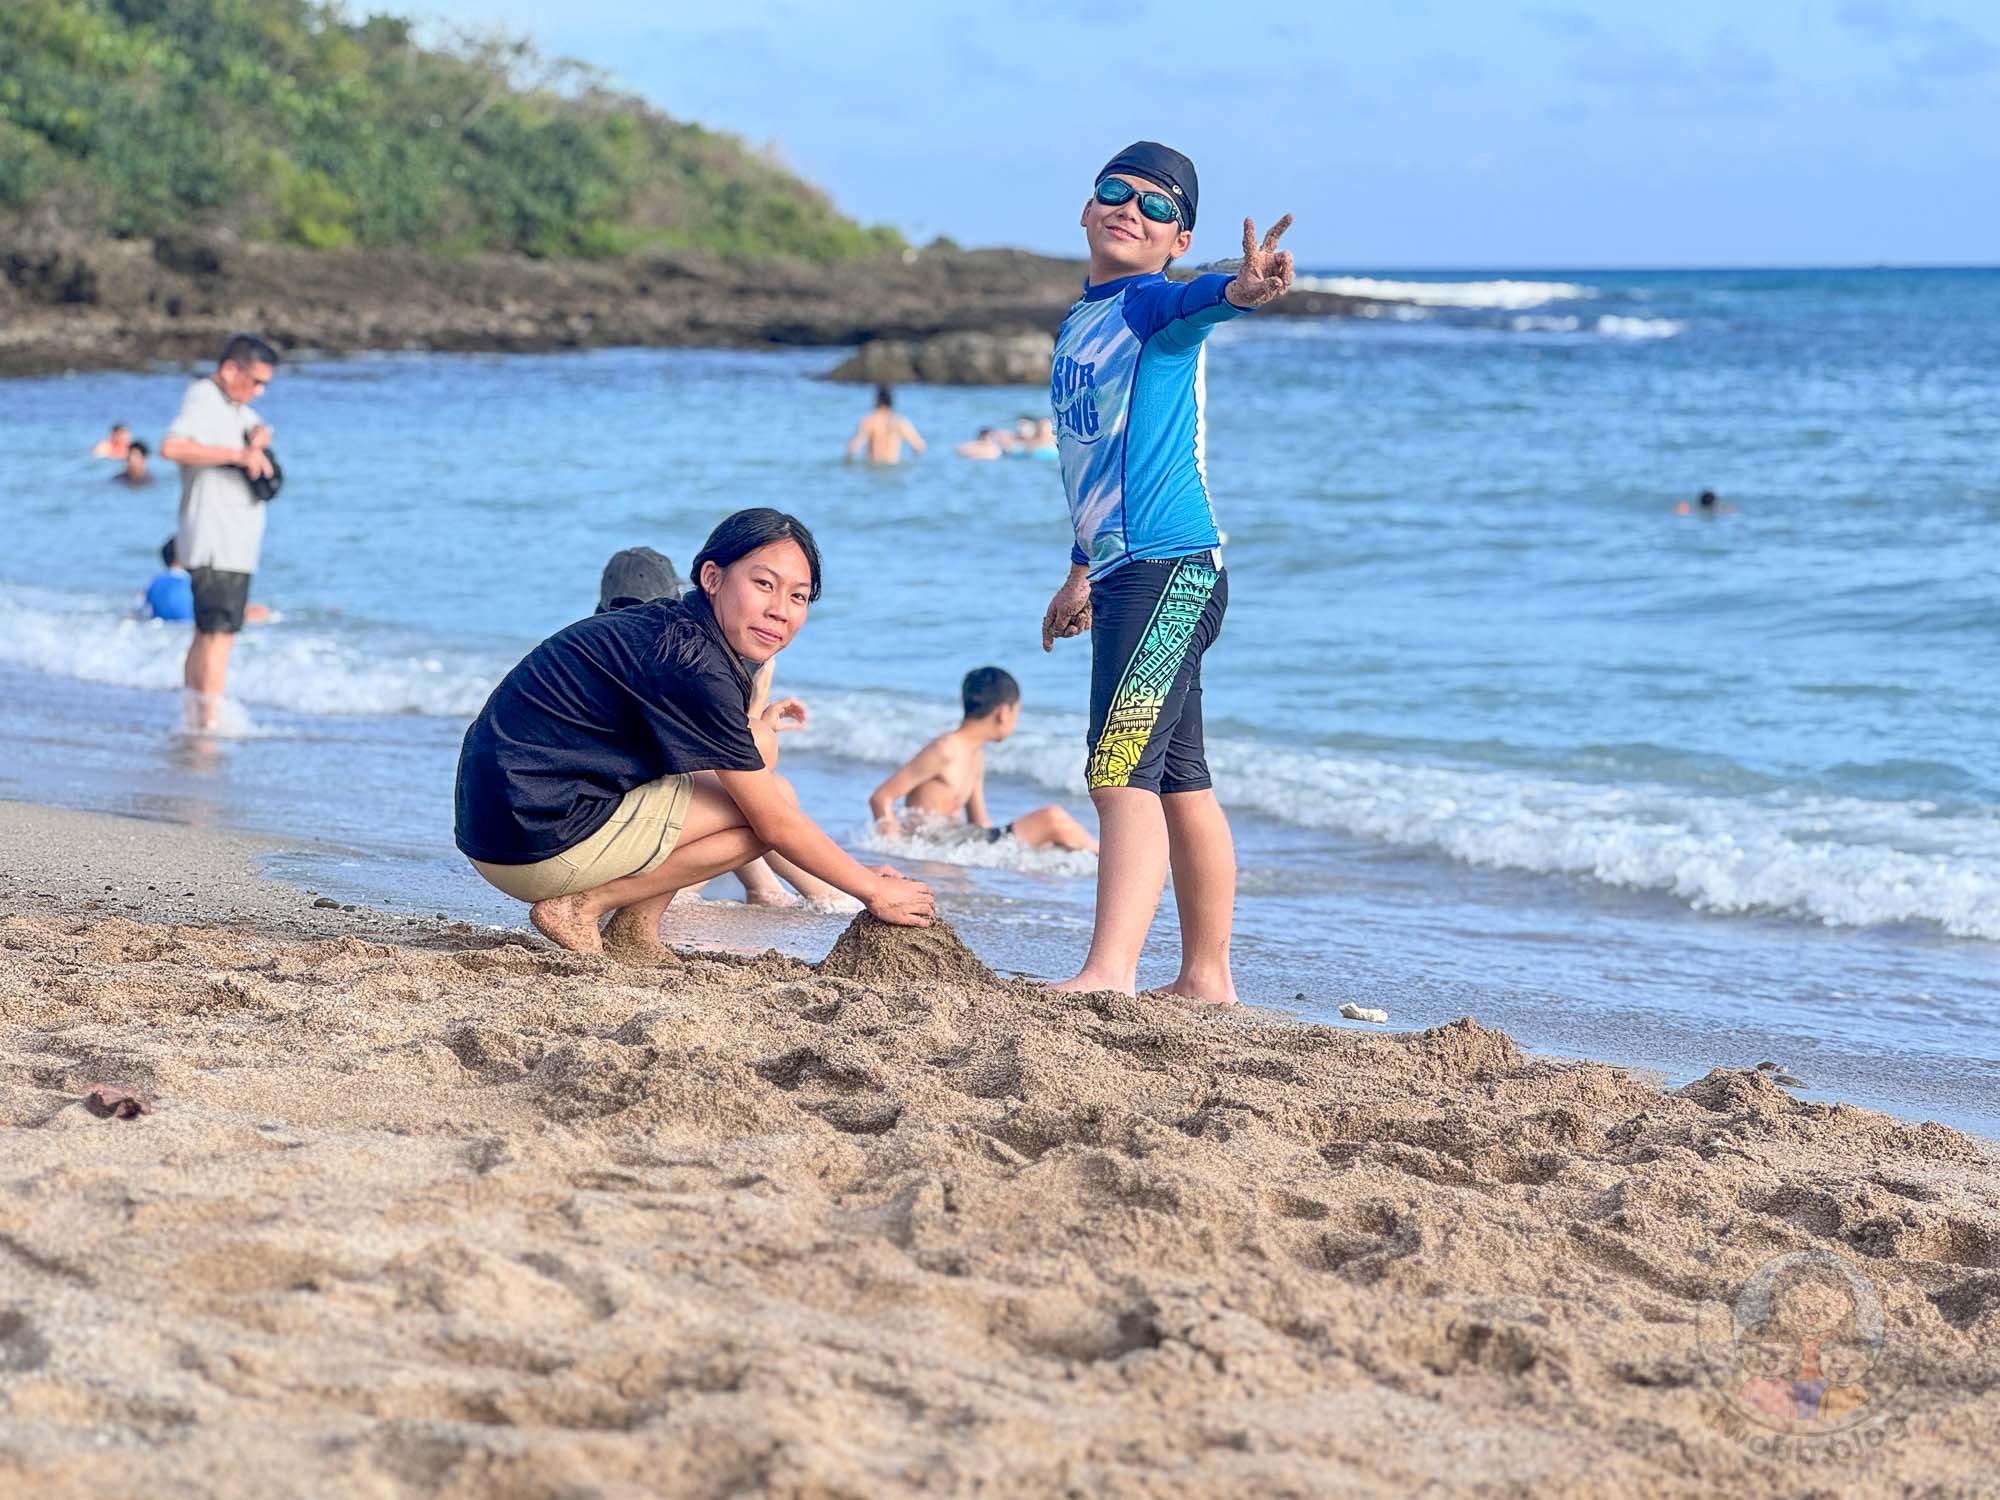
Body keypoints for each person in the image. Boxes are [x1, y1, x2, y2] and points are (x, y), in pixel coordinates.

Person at [1039, 141, 1295, 1006]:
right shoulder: (1082, 320)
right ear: (1085, 208)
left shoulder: (1152, 305)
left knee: (1117, 772)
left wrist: (1242, 290)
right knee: (1179, 778)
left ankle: (1109, 974)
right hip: (1130, 572)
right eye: (1116, 192)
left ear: (1177, 240)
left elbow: (1200, 304)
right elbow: (1093, 463)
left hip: (1166, 569)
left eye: (1156, 207)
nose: (1130, 210)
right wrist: (1079, 570)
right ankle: (1206, 978)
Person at [456, 509, 935, 960]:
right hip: (530, 841)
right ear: (712, 577)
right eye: (764, 584)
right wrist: (872, 890)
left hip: (504, 824)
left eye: (798, 596)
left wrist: (854, 875)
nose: (779, 610)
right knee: (767, 805)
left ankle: (635, 930)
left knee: (759, 776)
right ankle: (582, 906)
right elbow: (773, 823)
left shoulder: (676, 630)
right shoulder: (695, 663)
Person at [594, 545, 848, 911]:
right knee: (767, 795)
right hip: (623, 844)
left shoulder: (597, 643)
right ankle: (820, 894)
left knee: (747, 789)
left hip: (596, 830)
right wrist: (758, 708)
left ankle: (772, 889)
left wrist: (756, 718)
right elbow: (733, 768)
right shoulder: (672, 655)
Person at [158, 334, 280, 730]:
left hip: (229, 541)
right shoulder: (204, 397)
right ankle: (208, 720)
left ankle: (194, 717)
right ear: (230, 369)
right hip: (216, 539)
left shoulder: (234, 408)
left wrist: (257, 440)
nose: (259, 391)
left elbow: (260, 430)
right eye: (256, 381)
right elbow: (172, 447)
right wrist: (237, 455)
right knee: (219, 633)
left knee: (207, 631)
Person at [869, 667, 1098, 853]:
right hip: (937, 842)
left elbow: (980, 824)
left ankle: (1095, 861)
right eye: (1016, 713)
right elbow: (882, 797)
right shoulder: (945, 749)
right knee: (1053, 819)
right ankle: (1105, 857)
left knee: (1049, 845)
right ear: (1003, 712)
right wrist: (894, 847)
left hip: (961, 840)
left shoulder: (975, 755)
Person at [845, 385, 925, 465]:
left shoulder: (869, 421)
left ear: (876, 401)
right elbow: (919, 447)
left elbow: (852, 448)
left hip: (873, 468)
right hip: (893, 468)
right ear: (891, 402)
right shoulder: (900, 422)